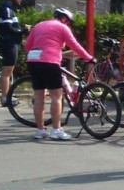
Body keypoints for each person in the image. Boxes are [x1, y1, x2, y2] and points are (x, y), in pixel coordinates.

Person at [23, 8, 95, 141]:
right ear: (64, 19)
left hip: (33, 61)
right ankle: (56, 130)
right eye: (68, 22)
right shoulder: (62, 27)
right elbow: (74, 45)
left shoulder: (39, 25)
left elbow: (27, 46)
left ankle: (40, 130)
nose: (68, 25)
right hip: (50, 62)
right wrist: (89, 58)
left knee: (39, 97)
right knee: (56, 96)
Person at [0, 0, 30, 107]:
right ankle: (5, 98)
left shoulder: (10, 9)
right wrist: (23, 31)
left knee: (8, 71)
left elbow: (12, 27)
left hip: (11, 42)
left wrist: (22, 31)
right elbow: (8, 28)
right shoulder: (6, 9)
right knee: (7, 71)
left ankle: (7, 96)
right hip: (9, 42)